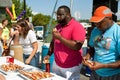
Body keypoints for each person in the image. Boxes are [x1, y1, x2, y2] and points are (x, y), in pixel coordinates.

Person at [44, 5, 86, 80]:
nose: (57, 17)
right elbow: (53, 42)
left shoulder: (77, 26)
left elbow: (77, 46)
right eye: (57, 15)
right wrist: (49, 54)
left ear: (68, 15)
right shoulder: (57, 27)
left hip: (71, 66)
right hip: (57, 63)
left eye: (60, 15)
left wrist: (60, 38)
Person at [83, 6, 120, 80]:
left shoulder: (118, 32)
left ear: (110, 18)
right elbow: (92, 48)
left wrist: (103, 65)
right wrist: (87, 56)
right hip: (95, 73)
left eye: (100, 22)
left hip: (113, 75)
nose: (97, 25)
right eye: (95, 22)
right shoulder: (95, 31)